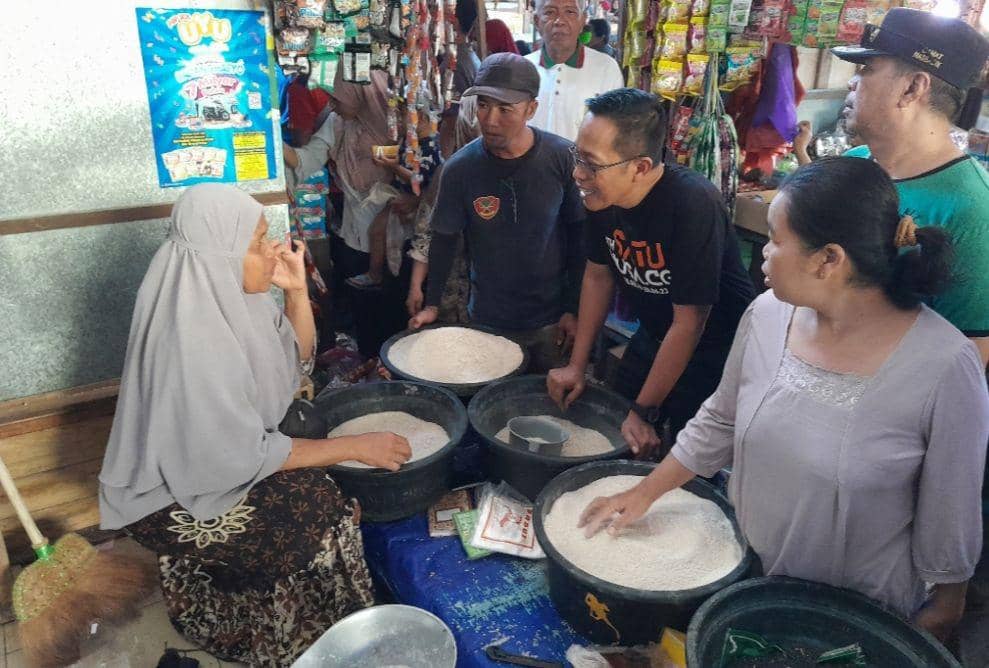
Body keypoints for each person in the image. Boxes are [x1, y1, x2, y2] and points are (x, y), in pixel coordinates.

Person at [579, 157, 989, 641]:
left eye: (776, 240)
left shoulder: (944, 366)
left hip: (849, 611)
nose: (763, 256)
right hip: (744, 574)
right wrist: (643, 492)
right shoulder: (768, 316)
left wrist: (943, 610)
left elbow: (950, 516)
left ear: (829, 259)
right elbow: (720, 420)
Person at [98, 184, 412, 664]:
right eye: (257, 242)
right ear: (220, 253)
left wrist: (296, 291)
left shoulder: (230, 296)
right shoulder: (190, 340)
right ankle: (281, 633)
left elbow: (298, 361)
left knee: (317, 471)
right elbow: (232, 459)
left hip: (226, 455)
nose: (272, 251)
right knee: (315, 509)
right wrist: (358, 446)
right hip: (172, 491)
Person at [549, 89, 755, 455]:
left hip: (716, 348)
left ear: (640, 167)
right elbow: (598, 277)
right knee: (617, 424)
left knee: (685, 452)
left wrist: (645, 410)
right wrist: (576, 365)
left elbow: (690, 323)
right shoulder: (600, 196)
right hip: (658, 332)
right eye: (577, 157)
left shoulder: (693, 204)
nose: (578, 174)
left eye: (591, 164)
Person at [408, 53, 585, 373]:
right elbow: (444, 239)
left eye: (505, 109)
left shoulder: (562, 158)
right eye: (484, 105)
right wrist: (432, 303)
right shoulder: (460, 169)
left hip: (552, 321)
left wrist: (574, 309)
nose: (490, 120)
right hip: (488, 320)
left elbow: (579, 236)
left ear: (531, 109)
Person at [832, 7, 989, 367]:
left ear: (913, 87)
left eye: (866, 69)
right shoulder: (853, 163)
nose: (851, 83)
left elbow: (965, 360)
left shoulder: (973, 209)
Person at [346, 106, 442, 289]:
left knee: (382, 233)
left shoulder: (431, 146)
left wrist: (394, 167)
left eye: (402, 117)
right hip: (400, 196)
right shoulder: (411, 140)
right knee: (380, 232)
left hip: (419, 202)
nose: (398, 121)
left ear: (420, 117)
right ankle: (383, 276)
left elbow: (420, 179)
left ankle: (376, 275)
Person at [407, 97, 481, 323]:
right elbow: (426, 234)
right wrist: (416, 286)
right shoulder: (447, 173)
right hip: (447, 287)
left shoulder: (505, 172)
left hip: (488, 295)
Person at [525, 0, 624, 141]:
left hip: (582, 163)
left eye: (570, 12)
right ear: (536, 21)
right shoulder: (523, 67)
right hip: (532, 162)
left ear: (583, 20)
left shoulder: (606, 68)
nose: (559, 21)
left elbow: (613, 131)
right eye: (549, 12)